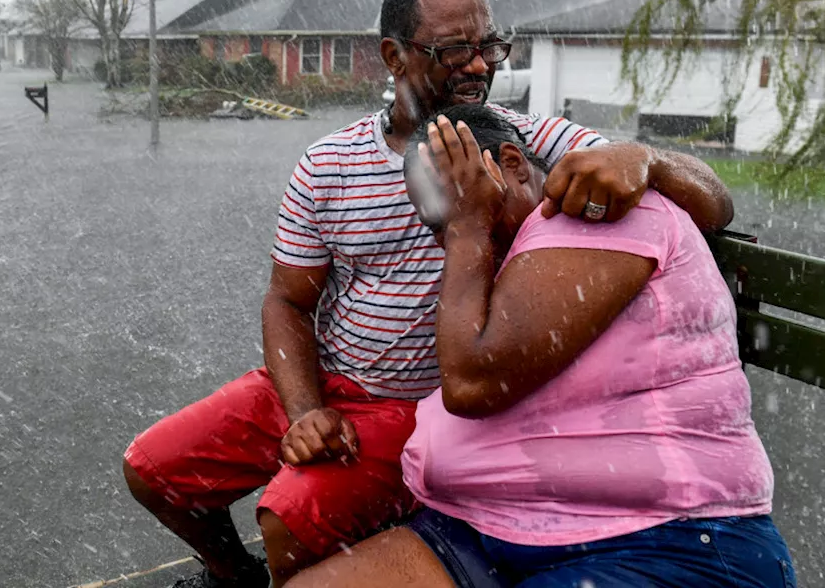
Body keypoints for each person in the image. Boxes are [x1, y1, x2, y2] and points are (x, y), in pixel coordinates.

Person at [121, 0, 735, 588]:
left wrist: (646, 158)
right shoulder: (330, 163)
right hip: (324, 379)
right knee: (153, 469)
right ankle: (232, 576)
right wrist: (304, 408)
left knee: (291, 514)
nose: (479, 65)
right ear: (394, 55)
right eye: (455, 50)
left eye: (490, 46)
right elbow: (287, 301)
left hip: (414, 407)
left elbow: (714, 199)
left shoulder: (529, 137)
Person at [287, 105, 793, 588]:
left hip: (658, 537)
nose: (450, 238)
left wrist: (467, 226)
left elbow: (472, 381)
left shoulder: (594, 210)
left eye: (462, 202)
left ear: (511, 164)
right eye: (438, 226)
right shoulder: (509, 247)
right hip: (487, 529)